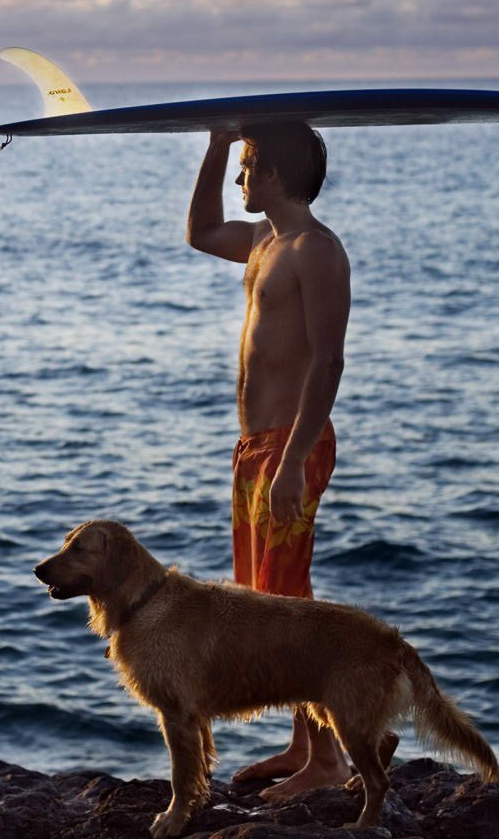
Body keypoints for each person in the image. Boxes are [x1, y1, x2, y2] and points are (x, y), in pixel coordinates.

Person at [186, 123, 389, 799]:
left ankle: (329, 761)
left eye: (246, 166)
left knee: (287, 608)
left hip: (290, 447)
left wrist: (295, 459)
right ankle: (307, 744)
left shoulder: (316, 251)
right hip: (255, 450)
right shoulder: (262, 242)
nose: (240, 179)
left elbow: (329, 362)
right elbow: (199, 232)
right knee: (268, 600)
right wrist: (217, 144)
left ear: (274, 174)